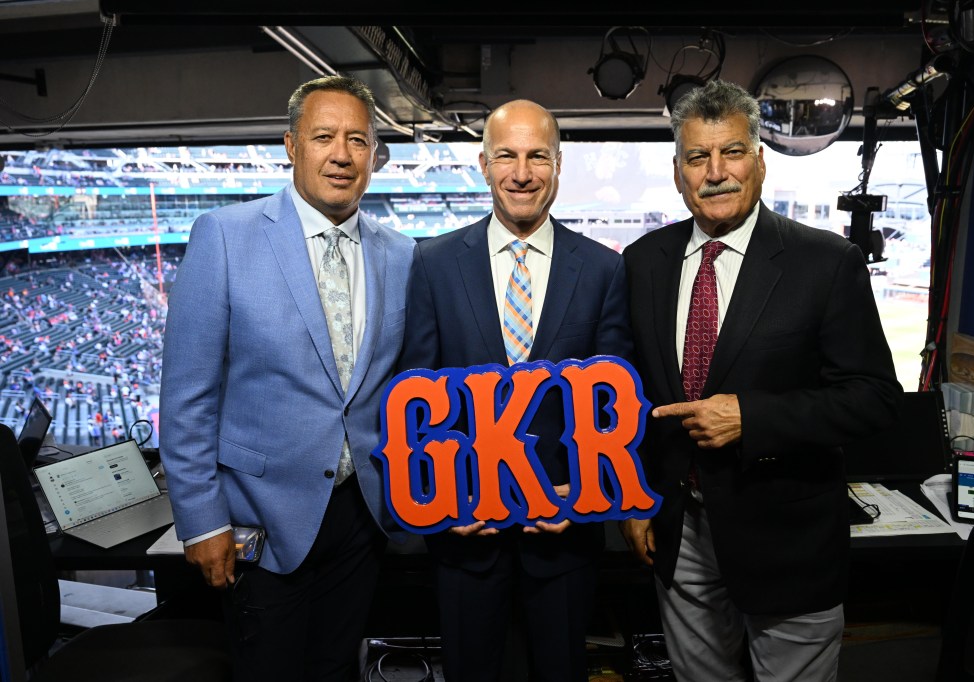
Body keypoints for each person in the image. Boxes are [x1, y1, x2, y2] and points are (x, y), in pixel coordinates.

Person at [620, 79, 903, 681]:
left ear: (760, 162)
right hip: (681, 536)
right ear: (678, 172)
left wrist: (753, 418)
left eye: (733, 152)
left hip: (788, 545)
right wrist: (638, 501)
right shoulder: (643, 262)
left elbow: (874, 399)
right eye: (698, 156)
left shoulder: (826, 264)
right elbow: (635, 397)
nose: (716, 171)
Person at [159, 74, 415, 682]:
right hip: (261, 523)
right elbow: (187, 396)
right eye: (324, 136)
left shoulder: (401, 253)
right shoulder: (224, 236)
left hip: (362, 520)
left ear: (374, 153)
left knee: (336, 670)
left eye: (358, 139)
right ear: (291, 145)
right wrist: (203, 520)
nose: (342, 154)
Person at [398, 99, 633, 682]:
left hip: (564, 540)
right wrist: (439, 502)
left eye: (537, 157)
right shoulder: (431, 263)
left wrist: (581, 494)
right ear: (483, 163)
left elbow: (614, 409)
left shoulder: (604, 269)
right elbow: (414, 399)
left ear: (558, 165)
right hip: (464, 538)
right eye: (506, 155)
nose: (521, 172)